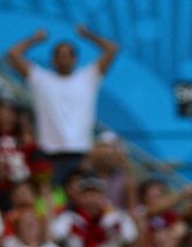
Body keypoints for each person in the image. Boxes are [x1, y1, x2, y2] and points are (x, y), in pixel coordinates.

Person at [7, 25, 119, 184]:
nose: (64, 58)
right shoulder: (40, 79)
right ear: (53, 59)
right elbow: (14, 54)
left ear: (76, 59)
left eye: (68, 55)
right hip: (48, 154)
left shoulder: (88, 77)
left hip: (80, 154)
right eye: (60, 55)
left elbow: (112, 49)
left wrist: (89, 35)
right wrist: (35, 39)